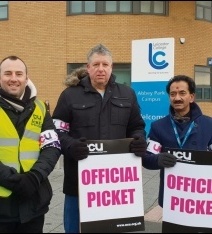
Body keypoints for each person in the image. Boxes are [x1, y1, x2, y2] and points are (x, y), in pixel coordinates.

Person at [52, 44, 148, 233]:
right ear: (88, 68)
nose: (101, 69)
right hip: (78, 183)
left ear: (112, 67)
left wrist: (138, 139)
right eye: (96, 64)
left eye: (105, 64)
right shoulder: (69, 95)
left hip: (116, 184)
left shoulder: (127, 94)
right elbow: (56, 132)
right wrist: (71, 146)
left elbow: (137, 126)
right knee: (74, 229)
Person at [0, 55, 61, 233]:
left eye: (19, 74)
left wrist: (34, 176)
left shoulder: (41, 108)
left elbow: (52, 147)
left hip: (34, 202)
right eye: (8, 73)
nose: (13, 78)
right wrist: (15, 181)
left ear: (26, 79)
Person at [142, 75, 212, 208]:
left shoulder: (209, 124)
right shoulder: (158, 126)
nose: (177, 98)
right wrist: (158, 159)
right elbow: (146, 158)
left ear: (191, 97)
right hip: (171, 196)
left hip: (201, 195)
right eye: (173, 94)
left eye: (182, 93)